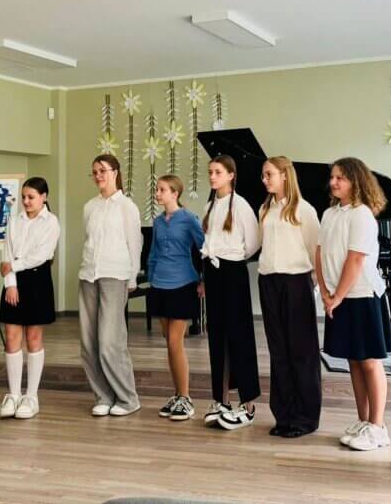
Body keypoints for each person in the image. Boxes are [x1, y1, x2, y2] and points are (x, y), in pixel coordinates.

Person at [315, 157, 390, 452]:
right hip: (339, 295)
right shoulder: (329, 213)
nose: (333, 182)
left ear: (356, 181)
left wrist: (337, 296)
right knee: (353, 360)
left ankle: (378, 427)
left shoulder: (361, 215)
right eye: (332, 177)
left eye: (341, 178)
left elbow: (356, 259)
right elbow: (319, 253)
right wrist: (325, 291)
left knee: (369, 361)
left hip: (361, 295)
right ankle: (363, 420)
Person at [257, 155, 322, 438]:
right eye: (263, 175)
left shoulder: (304, 210)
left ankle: (305, 418)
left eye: (269, 174)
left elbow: (315, 250)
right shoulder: (265, 209)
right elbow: (258, 244)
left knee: (301, 352)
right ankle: (283, 415)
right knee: (278, 351)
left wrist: (315, 285)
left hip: (296, 282)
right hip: (268, 281)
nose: (264, 179)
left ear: (285, 175)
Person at [200, 154, 262, 431]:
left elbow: (253, 243)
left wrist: (233, 260)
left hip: (233, 271)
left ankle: (248, 404)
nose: (212, 176)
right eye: (210, 172)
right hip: (213, 273)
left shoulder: (242, 205)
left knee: (240, 336)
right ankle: (221, 400)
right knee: (217, 336)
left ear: (231, 175)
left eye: (217, 172)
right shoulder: (210, 206)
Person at [78, 154, 141, 417]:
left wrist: (133, 277)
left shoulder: (127, 207)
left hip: (115, 276)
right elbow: (88, 239)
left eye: (102, 171)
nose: (98, 176)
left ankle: (127, 398)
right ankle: (103, 396)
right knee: (88, 342)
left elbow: (134, 243)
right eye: (94, 172)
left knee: (110, 342)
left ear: (115, 172)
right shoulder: (89, 207)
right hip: (88, 276)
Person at [0, 177, 60, 420]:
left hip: (37, 280)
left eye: (31, 197)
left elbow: (40, 255)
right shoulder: (14, 221)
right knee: (12, 337)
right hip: (13, 281)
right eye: (23, 197)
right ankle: (13, 395)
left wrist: (12, 266)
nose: (26, 201)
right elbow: (6, 253)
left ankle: (31, 396)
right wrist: (10, 284)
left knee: (34, 338)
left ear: (44, 197)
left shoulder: (51, 222)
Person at [146, 174, 204, 421]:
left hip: (183, 284)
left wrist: (204, 280)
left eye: (162, 190)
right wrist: (150, 276)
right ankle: (178, 395)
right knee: (168, 345)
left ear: (175, 193)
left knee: (174, 342)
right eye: (157, 190)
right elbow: (153, 252)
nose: (157, 194)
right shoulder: (158, 222)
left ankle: (186, 398)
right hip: (159, 284)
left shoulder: (189, 219)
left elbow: (204, 249)